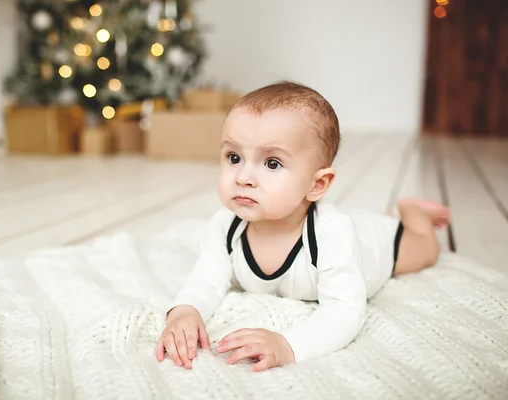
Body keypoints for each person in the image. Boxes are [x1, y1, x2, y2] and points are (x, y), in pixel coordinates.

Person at [154, 81, 450, 372]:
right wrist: (185, 310)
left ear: (317, 184)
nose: (243, 176)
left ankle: (414, 220)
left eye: (271, 163)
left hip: (378, 244)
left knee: (422, 253)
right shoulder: (226, 226)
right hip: (348, 224)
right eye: (234, 157)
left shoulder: (332, 233)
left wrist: (289, 345)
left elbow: (346, 309)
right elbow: (207, 278)